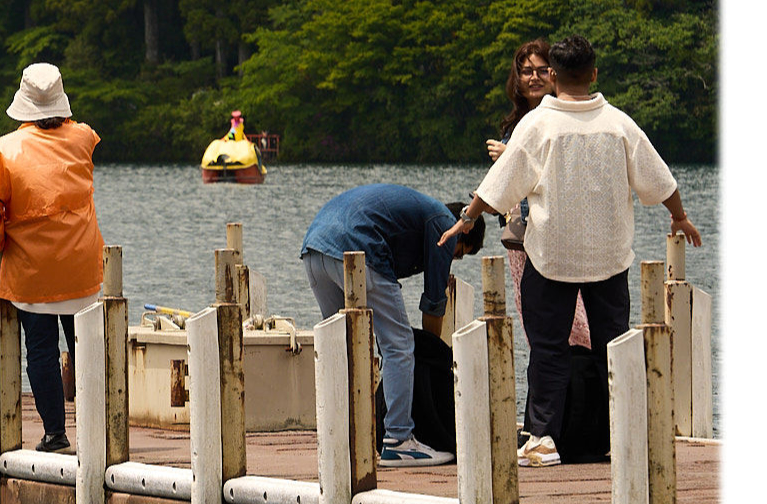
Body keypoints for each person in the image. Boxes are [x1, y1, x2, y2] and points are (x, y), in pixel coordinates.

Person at [443, 35, 703, 467]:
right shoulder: (619, 124)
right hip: (608, 257)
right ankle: (622, 433)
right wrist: (679, 217)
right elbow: (661, 180)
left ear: (553, 75)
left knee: (549, 351)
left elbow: (499, 185)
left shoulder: (537, 126)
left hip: (551, 257)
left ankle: (544, 438)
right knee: (613, 348)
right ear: (594, 74)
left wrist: (466, 219)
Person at [0, 63, 104, 454]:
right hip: (81, 264)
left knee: (41, 350)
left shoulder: (5, 149)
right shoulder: (82, 138)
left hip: (31, 268)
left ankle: (55, 434)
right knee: (85, 348)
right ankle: (96, 431)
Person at [301, 184, 484, 467]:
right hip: (359, 245)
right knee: (399, 346)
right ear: (463, 233)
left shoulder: (419, 215)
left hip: (315, 249)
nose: (453, 259)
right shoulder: (446, 225)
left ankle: (342, 436)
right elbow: (433, 304)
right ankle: (399, 440)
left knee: (342, 347)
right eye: (459, 254)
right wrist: (429, 357)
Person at [489, 39, 591, 350]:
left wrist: (512, 157)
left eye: (541, 70)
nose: (534, 77)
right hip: (520, 237)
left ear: (555, 73)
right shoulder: (514, 125)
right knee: (532, 317)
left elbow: (571, 173)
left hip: (558, 234)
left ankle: (585, 371)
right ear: (517, 79)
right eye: (526, 71)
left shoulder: (568, 117)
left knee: (577, 321)